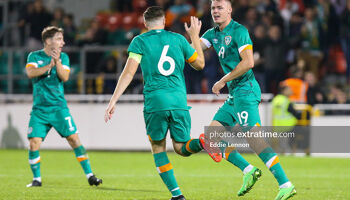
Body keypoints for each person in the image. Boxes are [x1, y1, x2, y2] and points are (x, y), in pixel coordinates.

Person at [198, 0, 296, 199]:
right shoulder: (212, 34)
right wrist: (192, 35)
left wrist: (222, 80)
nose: (215, 11)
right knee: (211, 138)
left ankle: (285, 184)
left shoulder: (239, 30)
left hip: (246, 90)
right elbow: (192, 53)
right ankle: (248, 170)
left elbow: (249, 62)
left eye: (220, 8)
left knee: (254, 139)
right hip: (235, 94)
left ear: (230, 10)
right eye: (213, 8)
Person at [105, 7, 205, 200]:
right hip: (178, 100)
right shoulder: (178, 39)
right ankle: (202, 142)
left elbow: (128, 73)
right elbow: (200, 63)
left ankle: (177, 195)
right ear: (164, 22)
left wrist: (113, 100)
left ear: (144, 24)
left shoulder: (139, 41)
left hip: (155, 101)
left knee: (158, 147)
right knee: (182, 147)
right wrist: (194, 37)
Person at [25, 26, 102, 187]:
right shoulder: (34, 56)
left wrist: (57, 62)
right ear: (48, 41)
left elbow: (65, 77)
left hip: (59, 108)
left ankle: (90, 175)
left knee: (74, 139)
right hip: (39, 110)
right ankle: (37, 179)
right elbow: (31, 73)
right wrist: (49, 66)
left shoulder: (64, 57)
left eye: (62, 39)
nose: (63, 42)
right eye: (59, 39)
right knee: (34, 143)